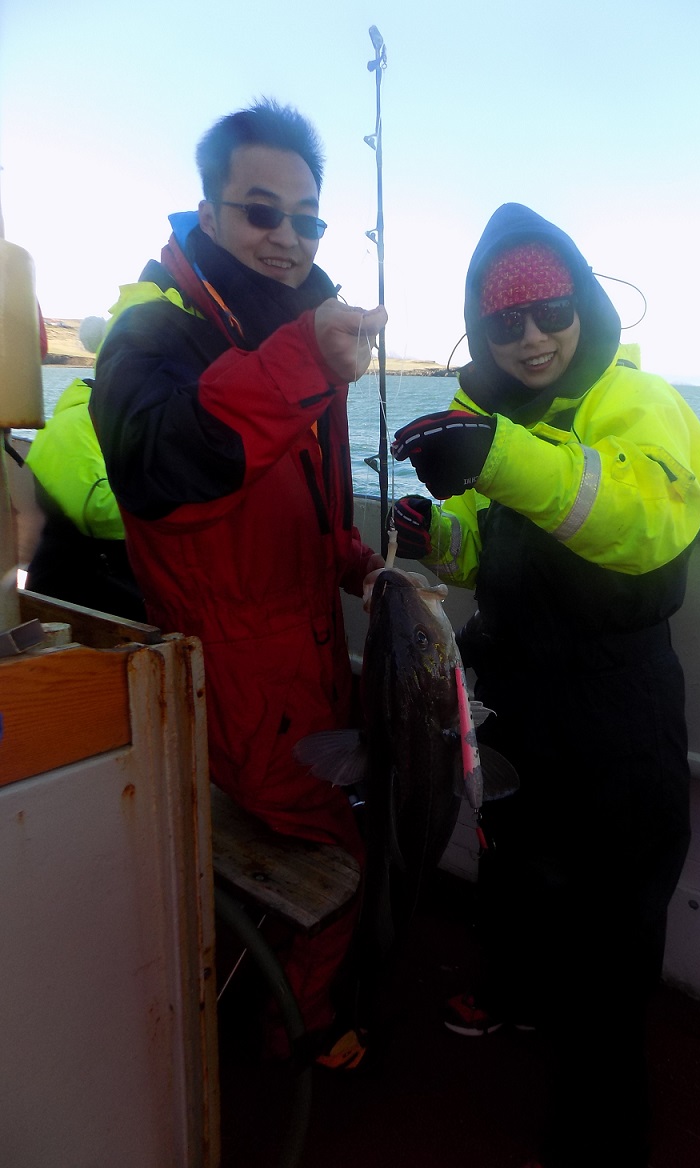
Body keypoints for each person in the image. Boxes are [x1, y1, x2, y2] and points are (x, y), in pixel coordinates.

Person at [391, 202, 700, 1167]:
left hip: (618, 703)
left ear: (584, 309)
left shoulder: (636, 400)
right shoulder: (507, 421)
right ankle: (519, 995)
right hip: (517, 695)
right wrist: (432, 533)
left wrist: (490, 455)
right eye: (505, 323)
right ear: (482, 330)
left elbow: (641, 518)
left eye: (550, 312)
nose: (531, 338)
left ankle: (604, 1126)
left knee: (616, 913)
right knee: (520, 860)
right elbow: (493, 552)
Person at [90, 100, 387, 1059]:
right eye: (262, 212)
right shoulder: (154, 334)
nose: (287, 238)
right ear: (209, 211)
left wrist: (346, 552)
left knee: (356, 811)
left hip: (309, 660)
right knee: (337, 849)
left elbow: (298, 482)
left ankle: (281, 995)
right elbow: (164, 470)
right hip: (237, 685)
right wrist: (303, 357)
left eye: (308, 220)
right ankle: (300, 1028)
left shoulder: (296, 328)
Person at [26, 317, 146, 622]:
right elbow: (98, 513)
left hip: (114, 585)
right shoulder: (74, 423)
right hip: (76, 598)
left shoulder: (121, 419)